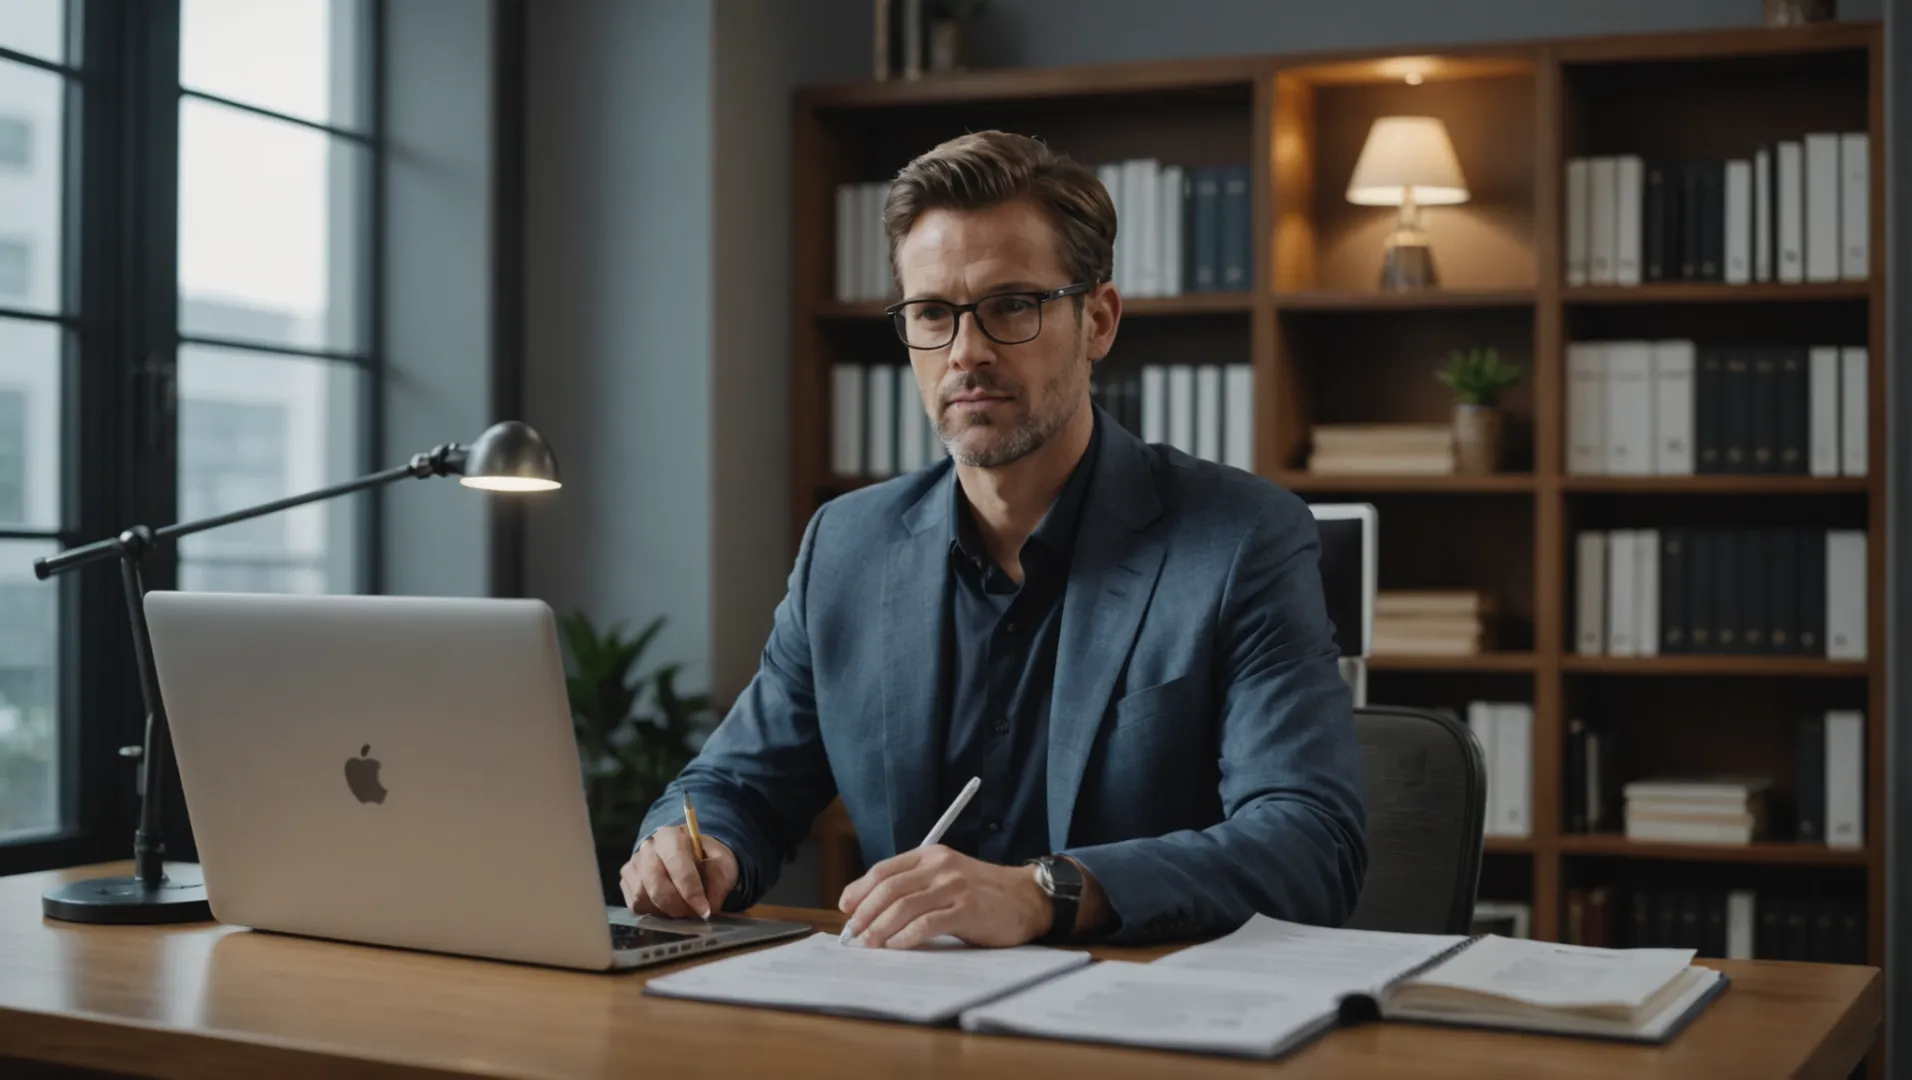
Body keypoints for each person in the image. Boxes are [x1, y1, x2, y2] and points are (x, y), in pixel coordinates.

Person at [622, 130, 1365, 948]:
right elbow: (737, 785)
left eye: (1011, 305)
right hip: (906, 1024)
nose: (966, 353)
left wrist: (1044, 892)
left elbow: (1308, 842)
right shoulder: (847, 546)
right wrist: (697, 847)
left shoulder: (1240, 540)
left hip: (1150, 1026)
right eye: (933, 314)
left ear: (1099, 320)